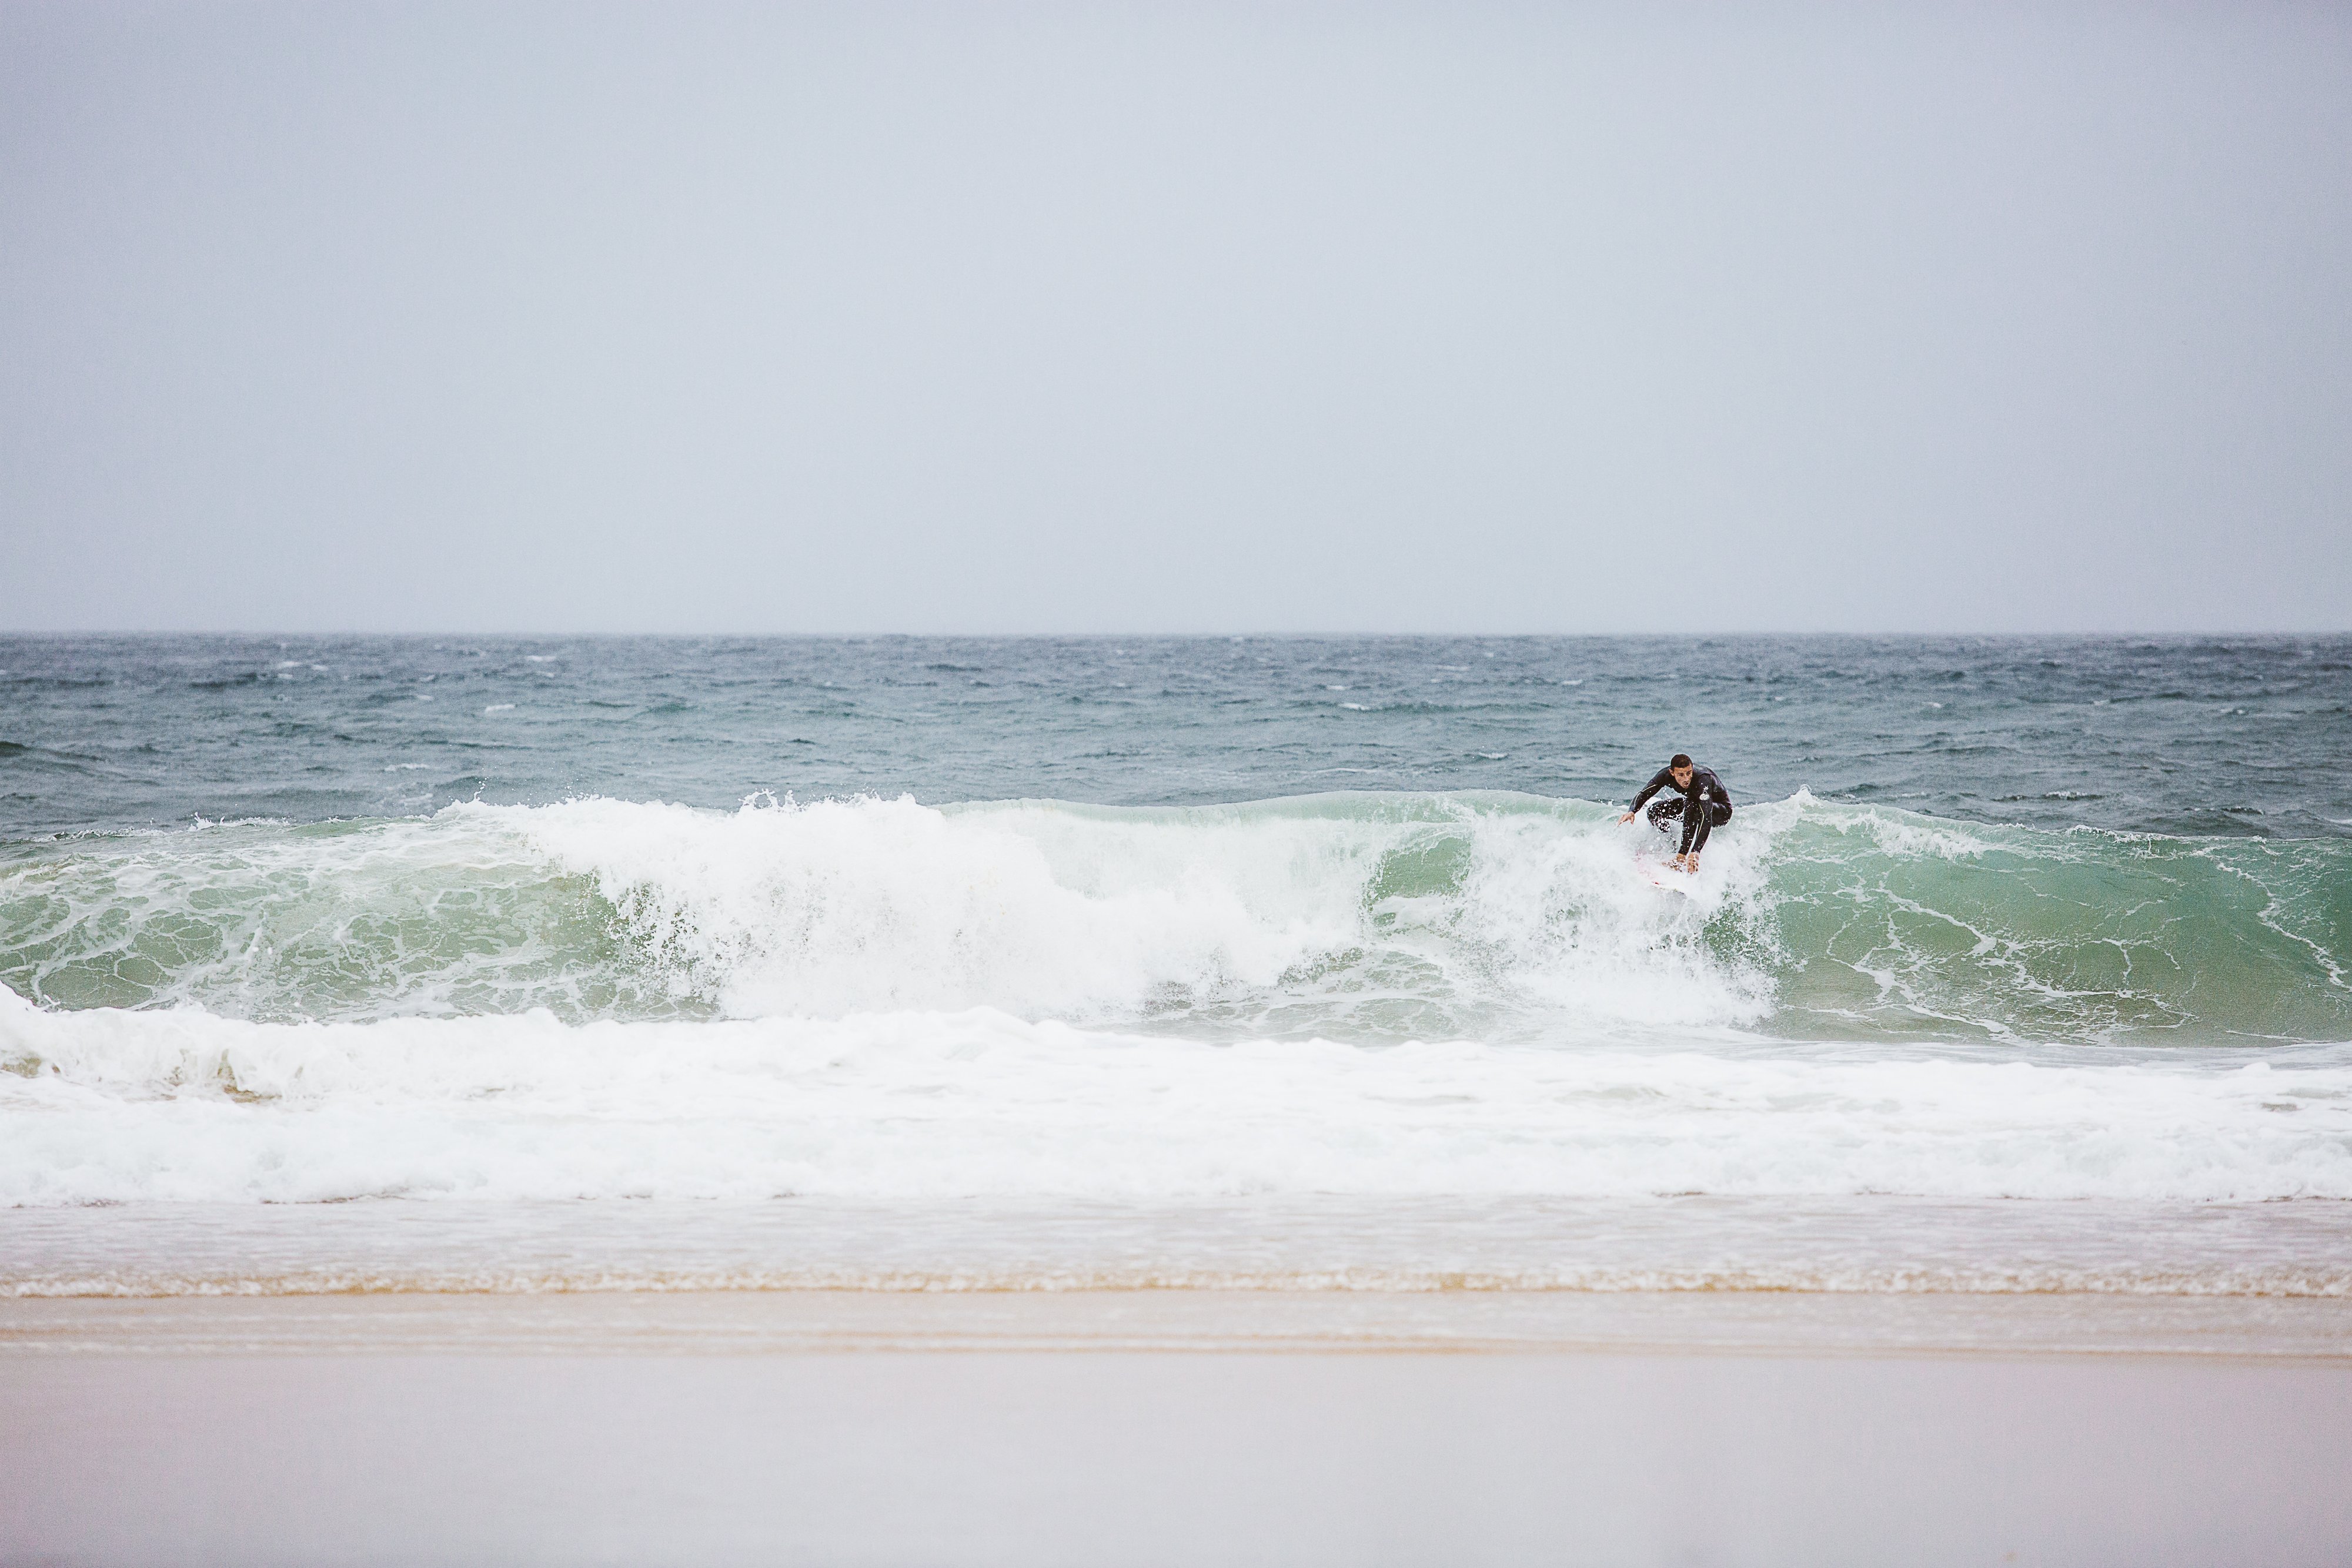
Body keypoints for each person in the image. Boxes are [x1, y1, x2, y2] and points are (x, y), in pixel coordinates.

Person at [1618, 753, 1732, 872]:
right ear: (1672, 773)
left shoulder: (1702, 779)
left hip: (1721, 812)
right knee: (1654, 811)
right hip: (1694, 806)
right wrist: (1632, 811)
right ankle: (1670, 845)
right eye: (1681, 775)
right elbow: (1645, 792)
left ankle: (1681, 857)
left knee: (1692, 804)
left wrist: (1695, 852)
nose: (1687, 779)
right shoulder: (1665, 775)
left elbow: (1706, 815)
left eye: (1689, 773)